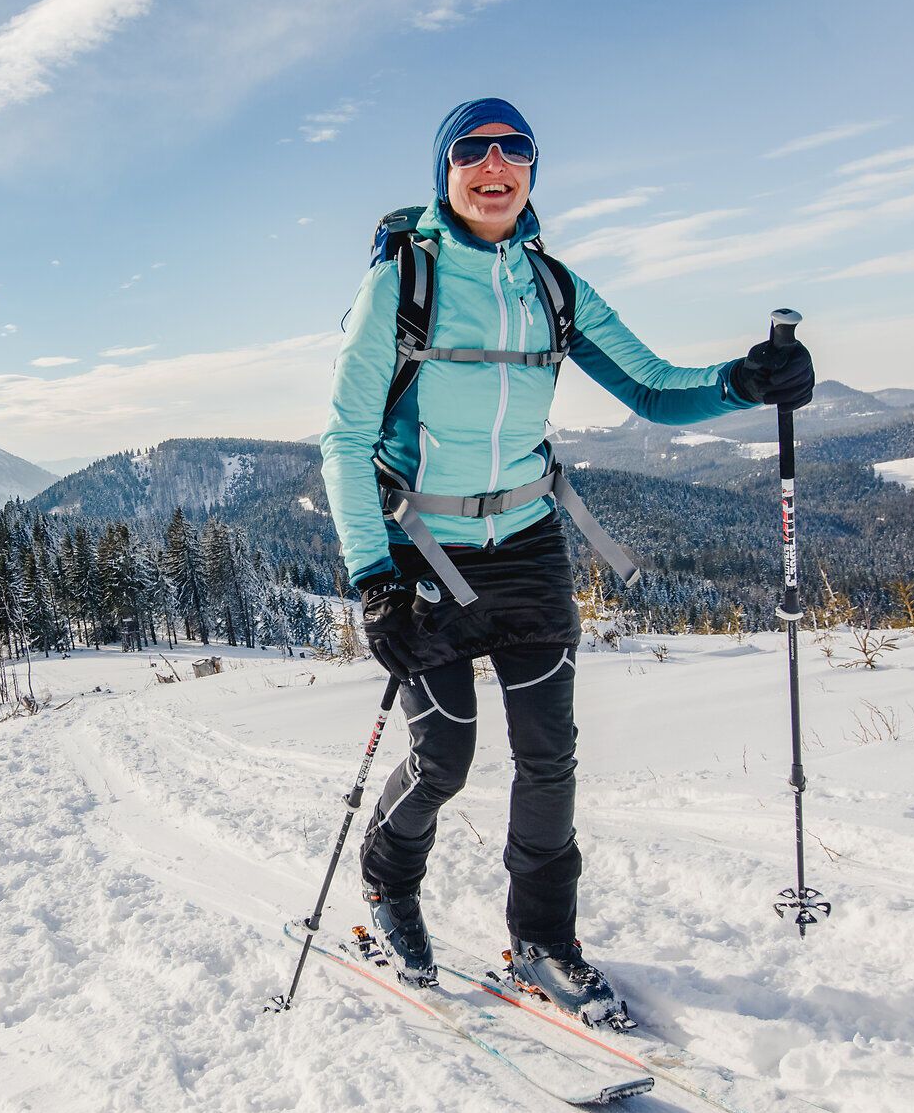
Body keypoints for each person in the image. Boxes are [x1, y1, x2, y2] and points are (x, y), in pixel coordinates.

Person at [319, 96, 814, 1024]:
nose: (494, 162)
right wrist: (372, 580)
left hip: (531, 544)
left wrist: (744, 382)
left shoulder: (554, 287)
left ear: (533, 172)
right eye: (473, 150)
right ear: (446, 173)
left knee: (551, 759)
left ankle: (545, 939)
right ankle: (389, 883)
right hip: (420, 552)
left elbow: (659, 391)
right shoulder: (403, 282)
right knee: (446, 756)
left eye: (515, 149)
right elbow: (345, 436)